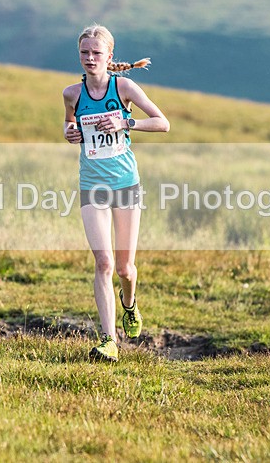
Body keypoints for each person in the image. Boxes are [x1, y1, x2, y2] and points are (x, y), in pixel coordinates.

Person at [63, 24, 170, 362]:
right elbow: (70, 126)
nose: (90, 58)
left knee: (124, 268)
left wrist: (127, 123)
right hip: (91, 184)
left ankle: (130, 303)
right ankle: (108, 339)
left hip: (125, 184)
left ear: (109, 56)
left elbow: (162, 122)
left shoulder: (123, 86)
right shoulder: (71, 94)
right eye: (85, 53)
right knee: (104, 261)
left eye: (96, 53)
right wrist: (70, 133)